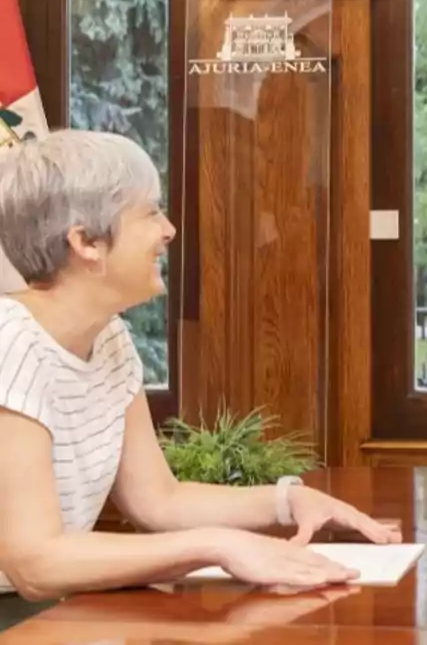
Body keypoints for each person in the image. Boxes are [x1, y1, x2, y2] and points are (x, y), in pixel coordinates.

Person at [0, 129, 400, 606]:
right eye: (150, 212)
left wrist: (287, 502)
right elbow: (36, 564)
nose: (168, 230)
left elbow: (158, 501)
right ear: (86, 241)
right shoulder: (12, 345)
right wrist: (217, 545)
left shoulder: (109, 338)